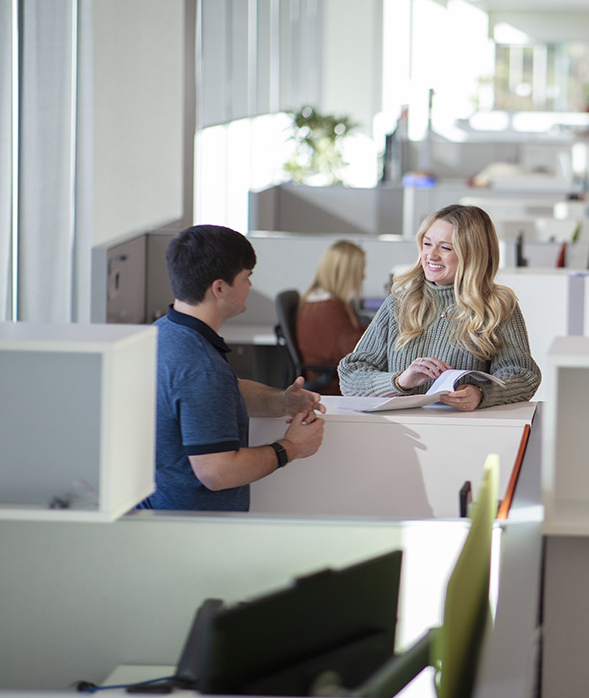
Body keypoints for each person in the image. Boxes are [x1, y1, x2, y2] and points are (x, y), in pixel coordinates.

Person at [139, 225, 326, 512]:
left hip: (160, 512)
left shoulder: (163, 333)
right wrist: (291, 447)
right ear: (219, 288)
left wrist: (282, 401)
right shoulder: (201, 368)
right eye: (246, 277)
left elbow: (217, 394)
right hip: (195, 534)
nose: (250, 286)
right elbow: (218, 471)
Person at [339, 204, 541, 410]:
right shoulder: (400, 303)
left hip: (464, 431)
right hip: (398, 432)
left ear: (472, 254)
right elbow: (350, 376)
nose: (431, 255)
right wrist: (401, 381)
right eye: (427, 244)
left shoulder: (495, 306)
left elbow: (523, 376)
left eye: (445, 247)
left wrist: (481, 393)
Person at [296, 240, 367, 395]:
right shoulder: (328, 309)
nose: (363, 276)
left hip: (335, 378)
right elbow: (358, 352)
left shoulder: (318, 301)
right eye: (360, 271)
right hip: (334, 386)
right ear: (346, 273)